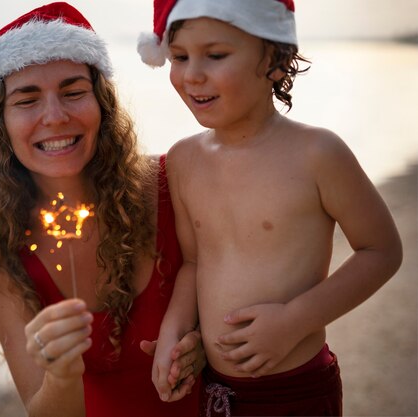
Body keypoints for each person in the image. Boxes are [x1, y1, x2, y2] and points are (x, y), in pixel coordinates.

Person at [137, 0, 403, 415]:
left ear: (277, 61)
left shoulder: (318, 153)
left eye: (216, 55)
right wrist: (171, 334)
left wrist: (294, 321)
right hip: (215, 389)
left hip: (298, 389)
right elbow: (194, 263)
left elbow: (382, 251)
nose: (192, 74)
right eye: (179, 57)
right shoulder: (184, 160)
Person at [0, 3, 204, 416]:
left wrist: (205, 349)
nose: (55, 117)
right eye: (26, 100)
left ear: (101, 104)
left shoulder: (171, 183)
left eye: (73, 93)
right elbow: (44, 410)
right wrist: (62, 374)